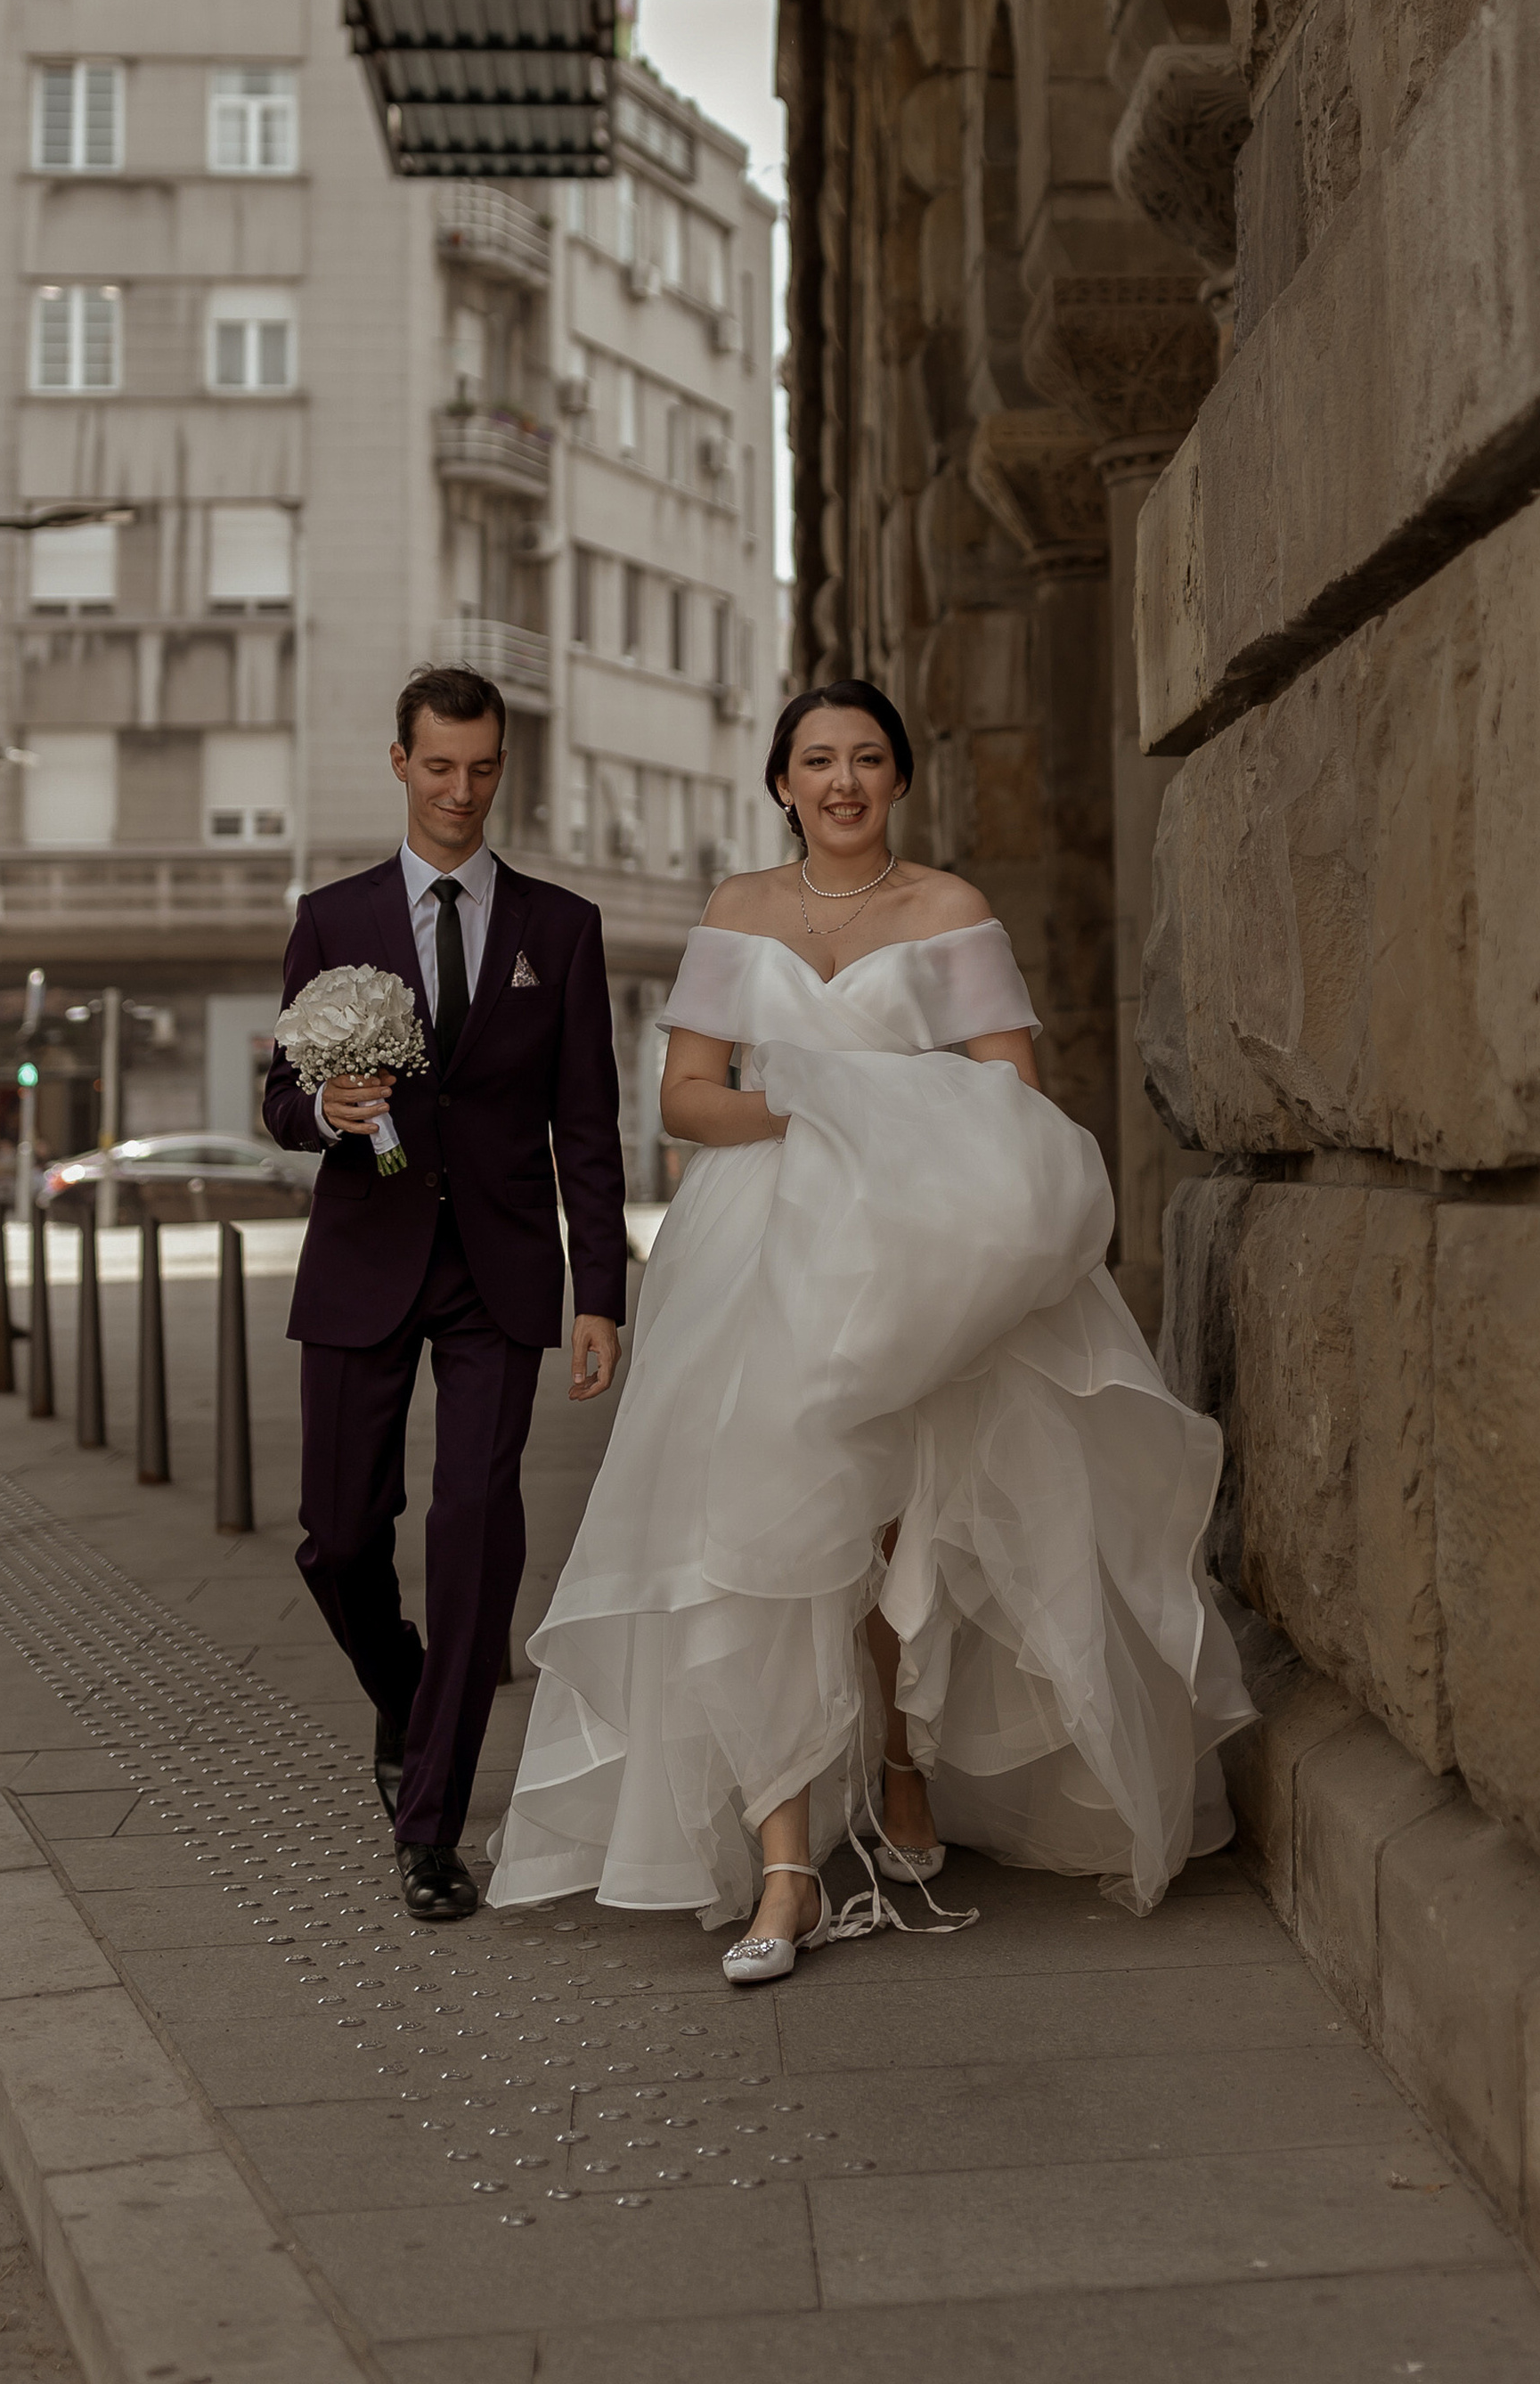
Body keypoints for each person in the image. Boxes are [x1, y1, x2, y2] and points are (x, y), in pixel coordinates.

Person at [488, 679, 1251, 1977]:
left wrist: (887, 1119)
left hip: (915, 1246)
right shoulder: (738, 910)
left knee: (898, 1517)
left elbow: (1012, 1090)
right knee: (749, 1525)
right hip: (760, 1248)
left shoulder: (948, 910)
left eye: (868, 758)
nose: (842, 780)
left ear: (899, 777)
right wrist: (820, 1104)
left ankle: (901, 1752)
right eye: (817, 759)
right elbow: (686, 1097)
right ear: (781, 782)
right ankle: (785, 1864)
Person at [264, 665, 628, 1925]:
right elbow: (274, 1099)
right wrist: (325, 1108)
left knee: (477, 1527)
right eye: (438, 767)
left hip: (502, 1271)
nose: (460, 792)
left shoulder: (559, 928)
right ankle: (410, 1694)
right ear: (400, 762)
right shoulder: (331, 916)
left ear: (501, 767)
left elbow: (588, 1124)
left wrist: (602, 1292)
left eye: (481, 769)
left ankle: (432, 1824)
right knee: (338, 1536)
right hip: (363, 1258)